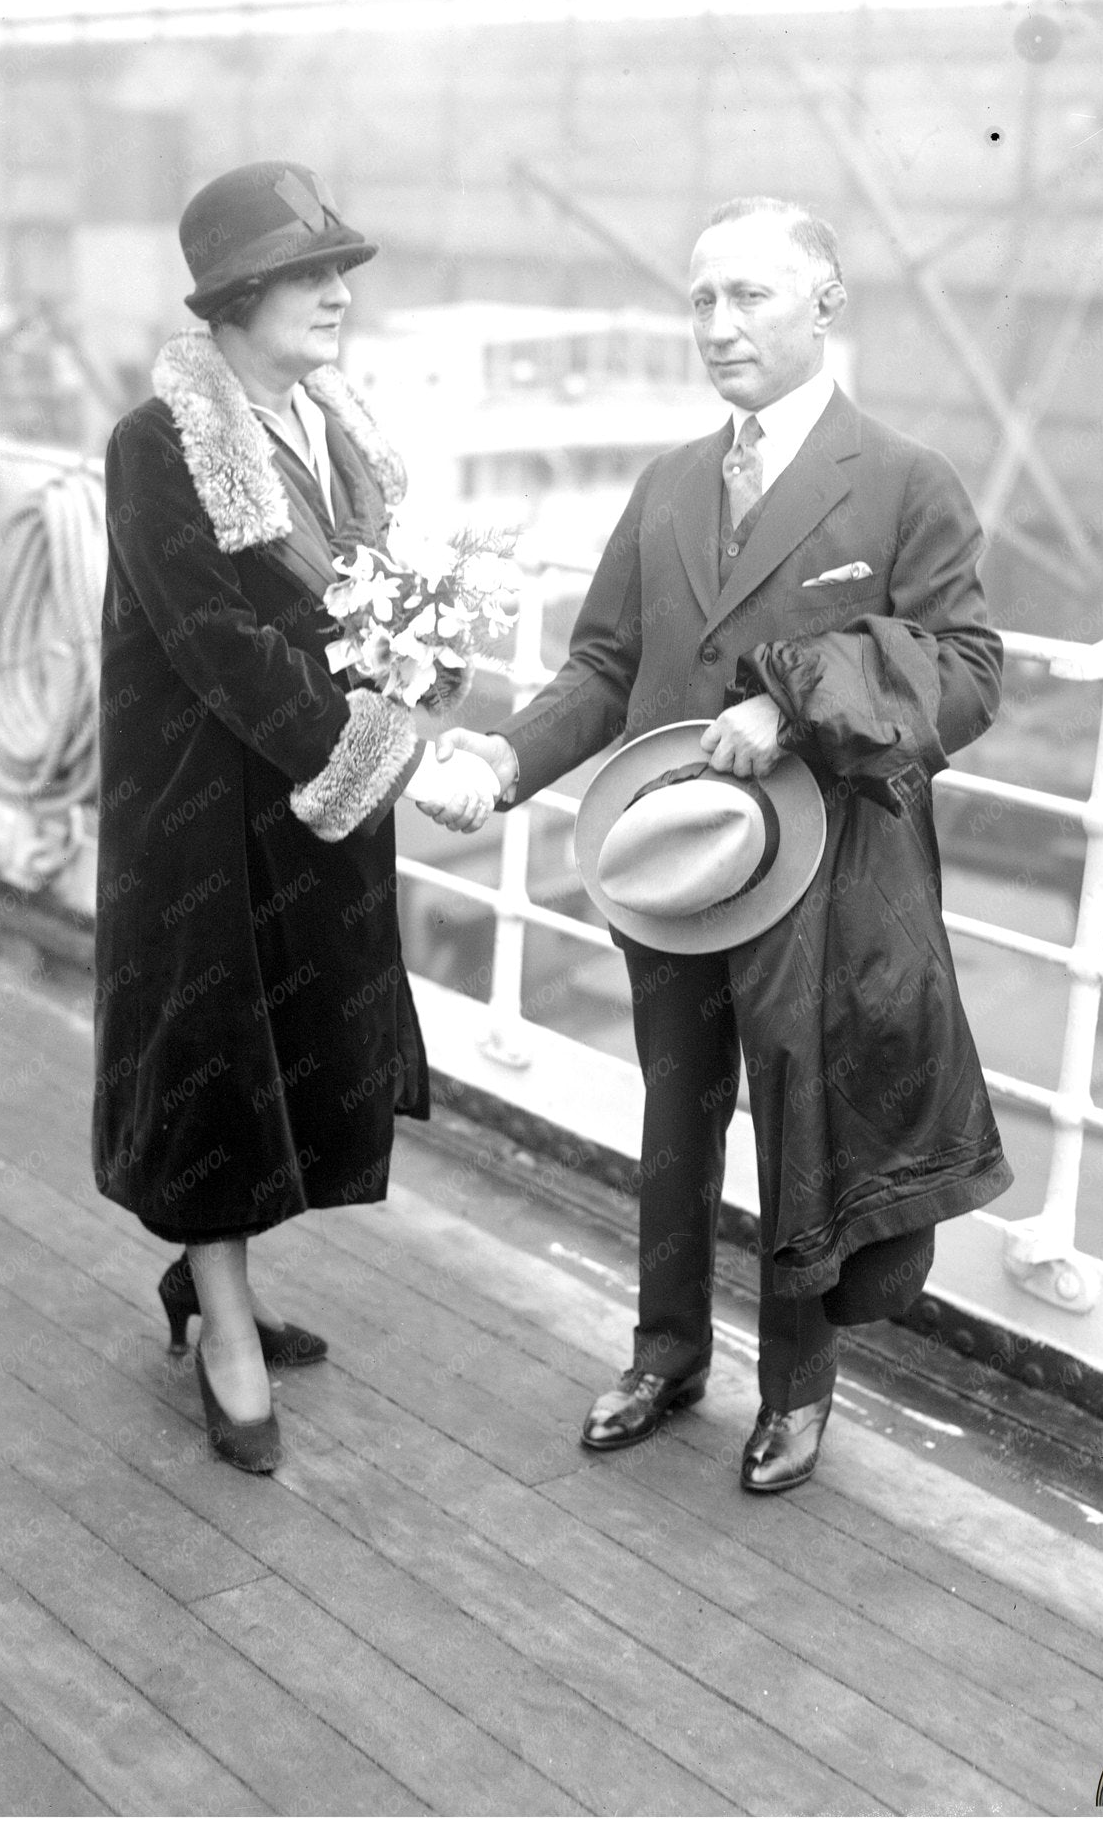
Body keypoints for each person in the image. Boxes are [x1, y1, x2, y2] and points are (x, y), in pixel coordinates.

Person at [430, 196, 1013, 1493]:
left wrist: (790, 694)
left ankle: (797, 1389)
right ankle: (664, 1350)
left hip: (823, 881)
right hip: (675, 867)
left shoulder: (907, 480)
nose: (718, 324)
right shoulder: (670, 483)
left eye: (748, 295)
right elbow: (602, 665)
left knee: (801, 1125)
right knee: (676, 1110)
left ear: (825, 302)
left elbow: (969, 674)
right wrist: (503, 760)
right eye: (700, 298)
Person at [94, 161, 497, 1473]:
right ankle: (222, 1333)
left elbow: (373, 616)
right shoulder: (160, 446)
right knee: (214, 1055)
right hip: (206, 818)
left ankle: (217, 1286)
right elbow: (226, 650)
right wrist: (392, 754)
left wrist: (429, 683)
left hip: (313, 809)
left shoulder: (337, 431)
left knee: (286, 1060)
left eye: (340, 272)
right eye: (310, 272)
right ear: (237, 295)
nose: (338, 295)